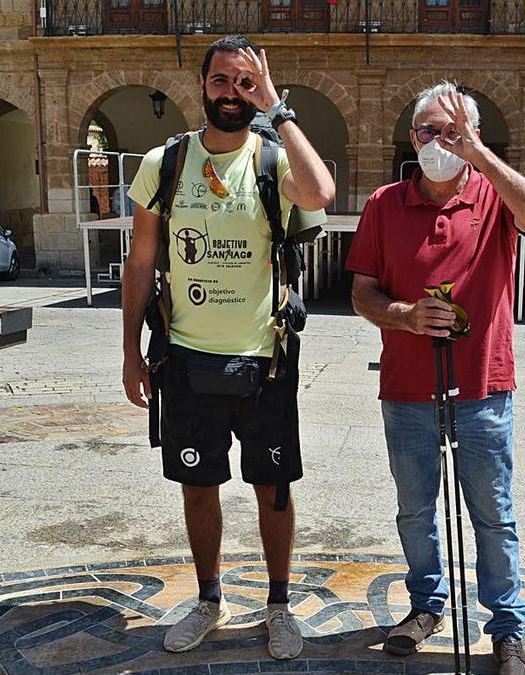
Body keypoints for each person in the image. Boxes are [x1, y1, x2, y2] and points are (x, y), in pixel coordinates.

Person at [120, 35, 334, 661]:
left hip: (265, 358)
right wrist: (131, 352)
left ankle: (277, 605)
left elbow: (320, 193)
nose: (232, 93)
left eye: (245, 83)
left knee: (274, 486)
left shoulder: (272, 160)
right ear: (202, 86)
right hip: (185, 357)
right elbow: (140, 263)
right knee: (198, 484)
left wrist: (277, 107)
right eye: (222, 81)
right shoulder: (167, 163)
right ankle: (210, 598)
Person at [346, 82, 525, 675]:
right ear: (411, 138)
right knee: (415, 508)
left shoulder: (494, 197)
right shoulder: (385, 204)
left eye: (450, 130)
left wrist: (479, 155)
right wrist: (404, 317)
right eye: (427, 131)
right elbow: (362, 291)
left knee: (492, 511)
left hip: (482, 385)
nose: (437, 142)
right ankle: (426, 605)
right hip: (408, 385)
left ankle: (508, 628)